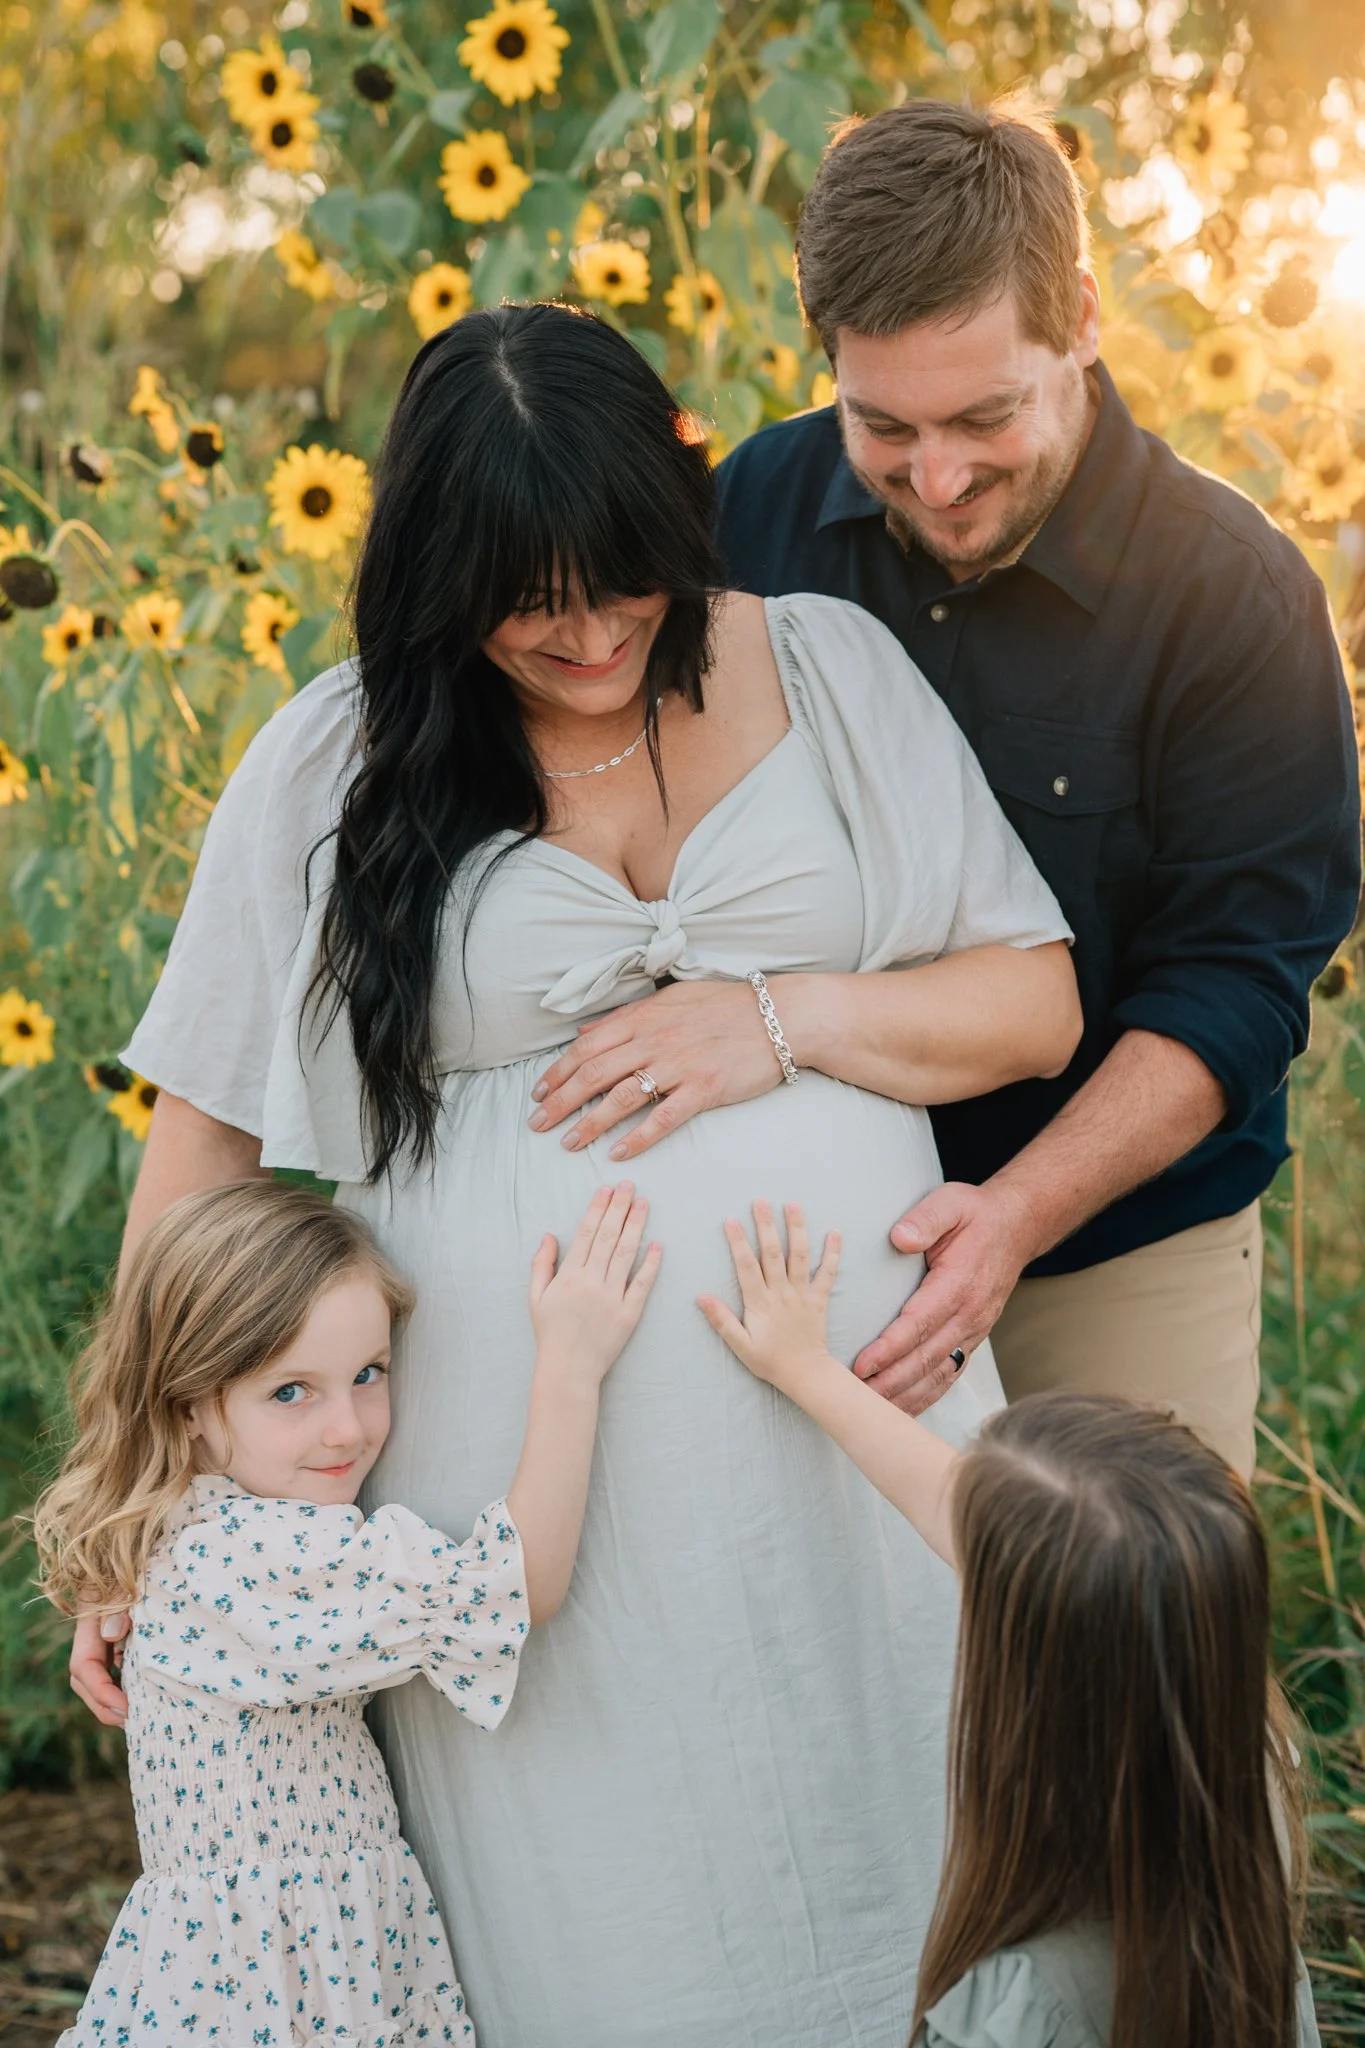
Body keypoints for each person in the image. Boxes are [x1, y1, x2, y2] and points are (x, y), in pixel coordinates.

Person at [69, 302, 1080, 2046]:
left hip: (857, 1416)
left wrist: (772, 1016)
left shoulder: (827, 669)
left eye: (626, 580)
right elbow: (203, 1146)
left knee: (925, 1835)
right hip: (528, 1481)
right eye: (531, 600)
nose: (595, 632)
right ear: (434, 575)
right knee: (618, 1930)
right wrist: (130, 1515)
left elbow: (1033, 1002)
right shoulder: (332, 760)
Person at [714, 98, 1362, 1478]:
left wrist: (1008, 1218)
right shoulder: (747, 513)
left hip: (1113, 1249)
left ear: (1075, 317)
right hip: (799, 1233)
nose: (935, 479)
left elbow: (1233, 989)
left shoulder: (1234, 597)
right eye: (879, 424)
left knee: (1134, 1662)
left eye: (984, 415)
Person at [35, 1176, 659, 2047]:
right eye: (291, 1391)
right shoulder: (255, 1560)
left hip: (277, 1956)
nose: (348, 1429)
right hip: (276, 1979)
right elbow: (518, 1583)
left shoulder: (193, 1524)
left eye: (367, 1374)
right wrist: (571, 1362)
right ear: (185, 1408)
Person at [701, 1199, 1322, 2048]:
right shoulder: (1246, 1767)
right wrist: (806, 1369)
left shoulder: (1015, 2011)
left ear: (1028, 1681)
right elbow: (954, 1502)